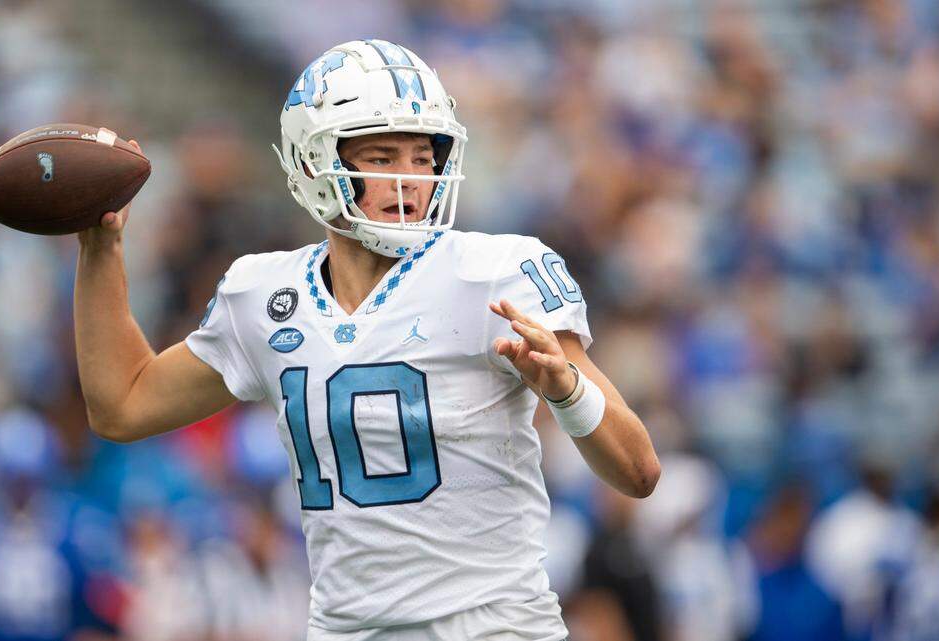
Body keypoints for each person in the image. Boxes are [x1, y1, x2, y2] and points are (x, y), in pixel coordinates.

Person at [74, 39, 659, 641]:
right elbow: (123, 405)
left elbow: (639, 471)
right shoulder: (262, 295)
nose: (410, 179)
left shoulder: (495, 275)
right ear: (311, 163)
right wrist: (101, 248)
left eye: (422, 156)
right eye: (381, 157)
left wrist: (568, 394)